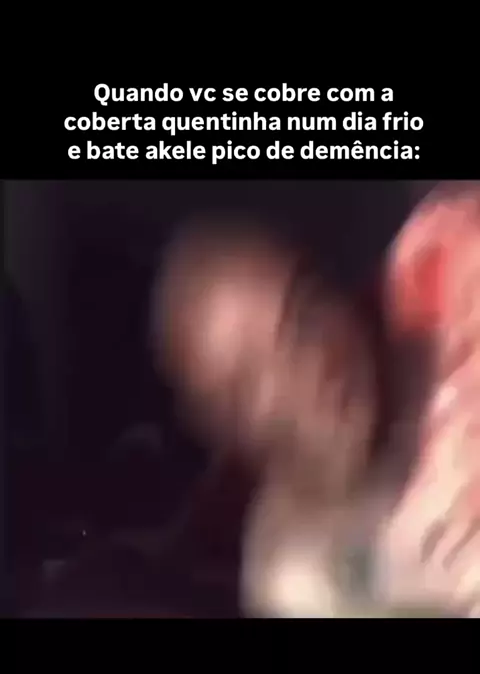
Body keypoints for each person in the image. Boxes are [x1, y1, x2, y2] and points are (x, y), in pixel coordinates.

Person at [154, 188, 480, 618]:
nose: (303, 367)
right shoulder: (295, 579)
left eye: (301, 311)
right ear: (225, 435)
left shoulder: (445, 304)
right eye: (249, 377)